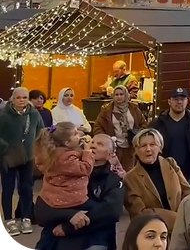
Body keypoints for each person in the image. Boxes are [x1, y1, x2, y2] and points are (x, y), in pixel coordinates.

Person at [39, 134, 124, 250]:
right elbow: (40, 211)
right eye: (92, 142)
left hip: (95, 238)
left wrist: (68, 227)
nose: (93, 146)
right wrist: (70, 215)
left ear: (110, 155)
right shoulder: (64, 174)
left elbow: (111, 212)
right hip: (58, 238)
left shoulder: (113, 180)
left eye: (100, 144)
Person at [32, 122, 98, 250]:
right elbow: (85, 168)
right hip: (69, 199)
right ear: (67, 143)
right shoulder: (66, 157)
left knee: (48, 234)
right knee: (94, 212)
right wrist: (87, 152)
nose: (79, 135)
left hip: (51, 197)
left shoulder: (53, 153)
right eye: (75, 134)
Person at [123, 128, 190, 229]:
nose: (148, 149)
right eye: (143, 146)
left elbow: (188, 193)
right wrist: (178, 220)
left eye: (153, 144)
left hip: (183, 230)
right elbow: (140, 213)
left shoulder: (171, 164)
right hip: (154, 231)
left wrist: (187, 216)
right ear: (136, 150)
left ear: (160, 148)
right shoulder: (130, 178)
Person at [0, 86, 43, 236]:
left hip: (28, 157)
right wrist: (5, 147)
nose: (21, 100)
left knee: (26, 188)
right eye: (18, 97)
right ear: (13, 99)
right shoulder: (4, 114)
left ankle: (26, 217)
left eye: (24, 97)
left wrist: (37, 148)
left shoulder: (34, 114)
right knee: (8, 189)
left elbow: (41, 131)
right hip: (8, 157)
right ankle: (8, 220)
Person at [148, 88, 190, 186]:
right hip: (162, 173)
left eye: (182, 99)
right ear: (169, 101)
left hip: (189, 175)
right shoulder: (158, 123)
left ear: (187, 101)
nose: (179, 102)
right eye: (176, 99)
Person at [93, 86, 147, 171]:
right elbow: (98, 127)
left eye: (121, 94)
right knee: (115, 171)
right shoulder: (106, 110)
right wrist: (106, 140)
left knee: (129, 172)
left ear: (126, 95)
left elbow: (143, 124)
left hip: (131, 148)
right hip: (115, 148)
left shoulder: (134, 109)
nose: (119, 97)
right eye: (116, 94)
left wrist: (137, 136)